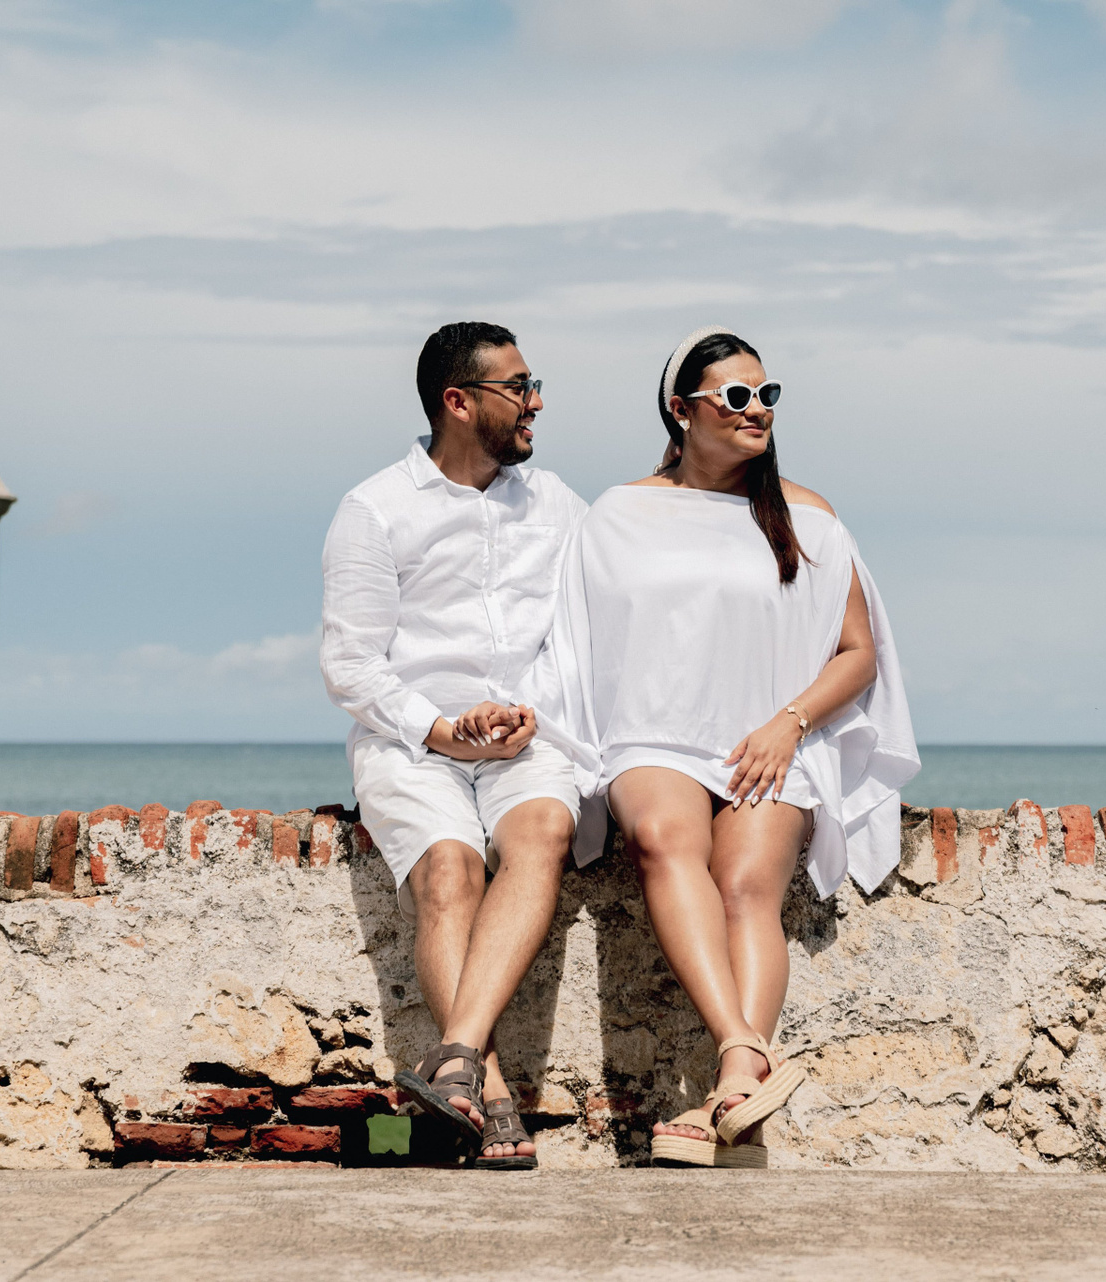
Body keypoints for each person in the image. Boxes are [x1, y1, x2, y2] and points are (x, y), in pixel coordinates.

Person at [548, 326, 919, 1168]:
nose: (759, 411)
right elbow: (578, 641)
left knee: (748, 886)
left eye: (768, 394)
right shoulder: (619, 514)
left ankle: (729, 1090)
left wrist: (789, 723)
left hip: (772, 736)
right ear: (683, 411)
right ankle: (744, 1055)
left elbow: (858, 653)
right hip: (655, 733)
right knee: (659, 839)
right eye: (737, 396)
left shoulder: (809, 516)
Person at [319, 322, 587, 1169]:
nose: (535, 402)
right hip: (411, 739)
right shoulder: (373, 509)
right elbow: (351, 664)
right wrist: (440, 730)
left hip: (527, 732)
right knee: (449, 870)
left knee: (543, 830)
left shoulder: (558, 505)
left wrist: (527, 714)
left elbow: (582, 635)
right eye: (519, 387)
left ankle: (456, 1058)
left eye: (534, 384)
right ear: (458, 401)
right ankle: (493, 1091)